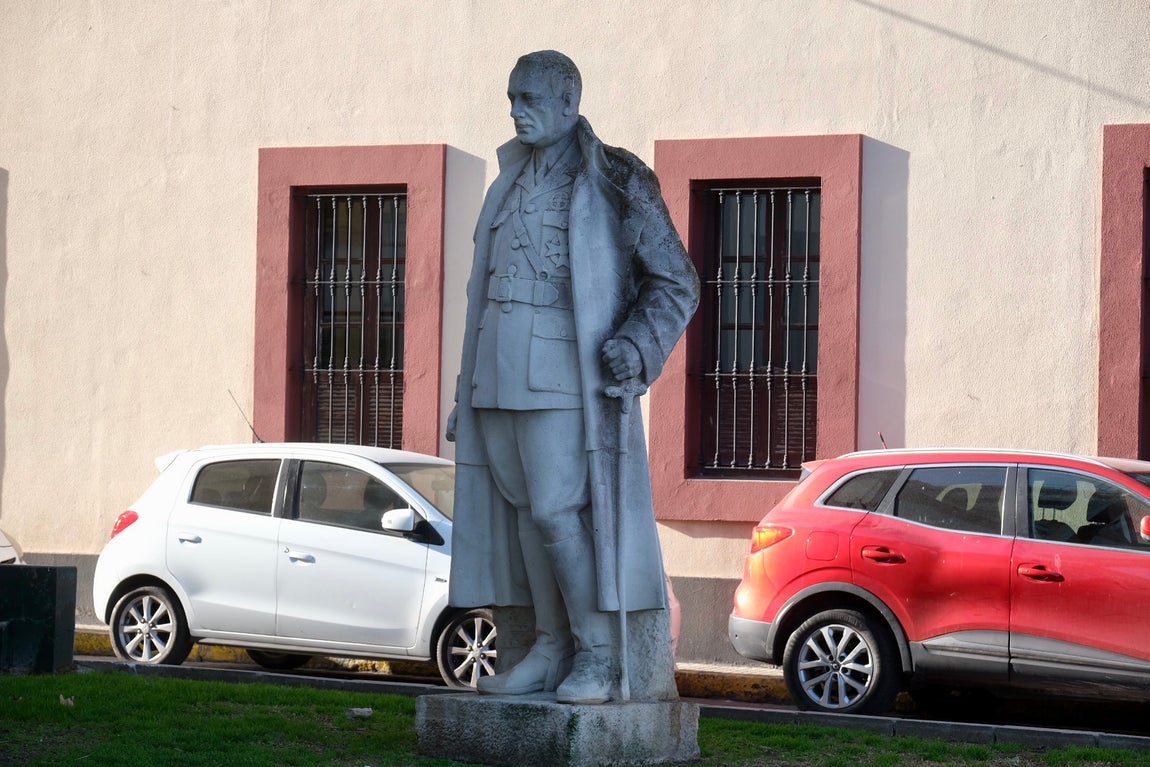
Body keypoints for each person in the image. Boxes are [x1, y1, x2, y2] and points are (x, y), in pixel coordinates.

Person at [447, 50, 698, 705]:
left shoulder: (615, 177)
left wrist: (637, 343)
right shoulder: (507, 181)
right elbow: (484, 293)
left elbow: (676, 281)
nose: (516, 111)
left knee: (558, 511)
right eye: (511, 98)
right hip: (497, 372)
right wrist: (465, 392)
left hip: (565, 375)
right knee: (525, 514)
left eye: (529, 99)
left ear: (568, 103)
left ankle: (600, 655)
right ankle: (550, 647)